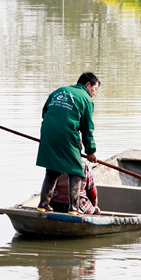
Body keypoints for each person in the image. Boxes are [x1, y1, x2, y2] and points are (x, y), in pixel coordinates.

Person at [36, 73, 100, 212]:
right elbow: (87, 128)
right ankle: (73, 207)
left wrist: (52, 133)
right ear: (87, 85)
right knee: (76, 170)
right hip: (66, 133)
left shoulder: (58, 92)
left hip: (47, 132)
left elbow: (45, 112)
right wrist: (90, 151)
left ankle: (43, 204)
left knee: (52, 168)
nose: (94, 94)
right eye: (95, 89)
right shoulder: (86, 99)